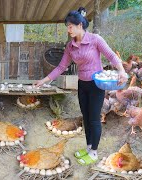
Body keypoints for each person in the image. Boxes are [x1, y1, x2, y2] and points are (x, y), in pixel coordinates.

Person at [34, 7, 128, 165]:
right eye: (67, 27)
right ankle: (89, 148)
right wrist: (44, 80)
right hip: (82, 85)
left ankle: (94, 153)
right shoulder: (70, 46)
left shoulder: (95, 39)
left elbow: (111, 55)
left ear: (79, 25)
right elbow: (61, 67)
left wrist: (122, 71)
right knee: (86, 117)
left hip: (96, 85)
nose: (68, 29)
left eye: (70, 26)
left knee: (94, 119)